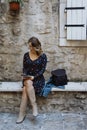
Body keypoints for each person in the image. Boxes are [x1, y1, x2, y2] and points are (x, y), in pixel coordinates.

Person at [16, 36, 47, 123]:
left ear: (35, 47)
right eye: (28, 46)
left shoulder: (43, 56)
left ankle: (21, 114)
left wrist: (34, 77)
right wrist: (25, 75)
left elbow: (42, 70)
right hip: (27, 78)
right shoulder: (26, 55)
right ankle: (34, 106)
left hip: (38, 79)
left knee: (25, 89)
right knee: (28, 82)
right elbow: (24, 68)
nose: (29, 48)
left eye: (31, 46)